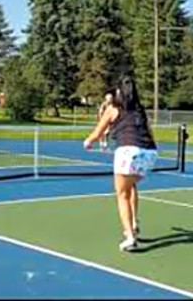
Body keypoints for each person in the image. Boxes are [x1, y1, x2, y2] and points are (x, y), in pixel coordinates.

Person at [83, 76, 158, 252]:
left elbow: (98, 131)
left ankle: (130, 237)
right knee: (130, 186)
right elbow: (151, 133)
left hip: (128, 152)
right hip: (150, 153)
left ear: (118, 92)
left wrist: (88, 141)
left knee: (121, 194)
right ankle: (134, 222)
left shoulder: (112, 109)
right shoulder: (140, 111)